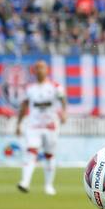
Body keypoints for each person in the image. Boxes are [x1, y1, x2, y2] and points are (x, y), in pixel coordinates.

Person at [15, 60, 66, 195]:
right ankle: (24, 182)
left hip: (50, 125)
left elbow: (63, 99)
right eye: (37, 68)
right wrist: (18, 123)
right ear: (34, 71)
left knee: (49, 155)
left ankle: (48, 186)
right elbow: (24, 106)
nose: (40, 70)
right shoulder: (30, 89)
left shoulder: (55, 86)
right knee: (31, 152)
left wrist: (64, 113)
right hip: (34, 126)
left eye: (42, 68)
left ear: (47, 70)